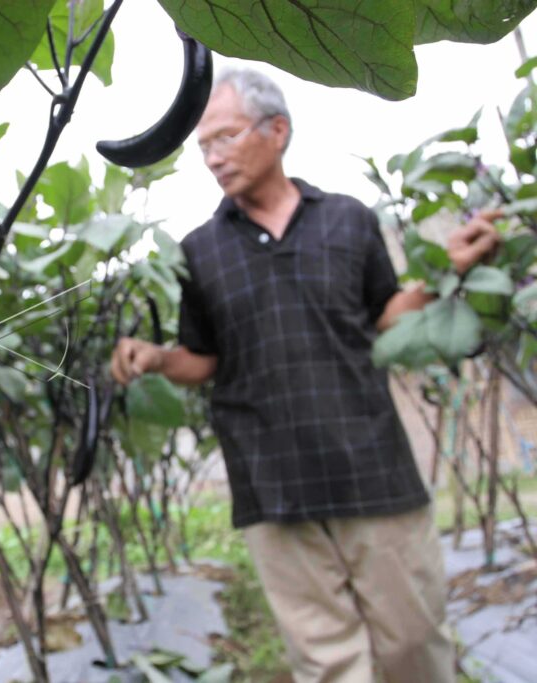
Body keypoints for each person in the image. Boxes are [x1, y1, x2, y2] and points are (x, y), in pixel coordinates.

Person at [110, 68, 501, 683]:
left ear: (277, 130)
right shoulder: (199, 249)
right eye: (203, 146)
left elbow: (381, 317)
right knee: (327, 662)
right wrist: (158, 358)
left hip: (372, 467)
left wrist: (446, 271)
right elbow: (203, 357)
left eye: (225, 137)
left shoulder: (347, 220)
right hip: (271, 481)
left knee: (416, 645)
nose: (212, 157)